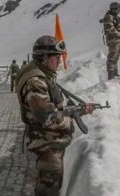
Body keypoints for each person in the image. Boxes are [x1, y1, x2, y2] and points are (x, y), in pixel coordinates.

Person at [15, 35, 95, 196]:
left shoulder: (42, 75)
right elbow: (47, 117)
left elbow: (53, 107)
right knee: (48, 189)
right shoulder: (36, 82)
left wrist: (77, 110)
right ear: (44, 58)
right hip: (46, 143)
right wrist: (71, 117)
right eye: (56, 57)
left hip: (49, 142)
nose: (59, 61)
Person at [103, 2, 120, 80]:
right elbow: (110, 29)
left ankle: (115, 74)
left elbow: (119, 27)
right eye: (118, 9)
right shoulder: (109, 17)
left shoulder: (115, 17)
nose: (119, 11)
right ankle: (111, 76)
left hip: (117, 40)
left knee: (116, 57)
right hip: (113, 41)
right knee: (112, 58)